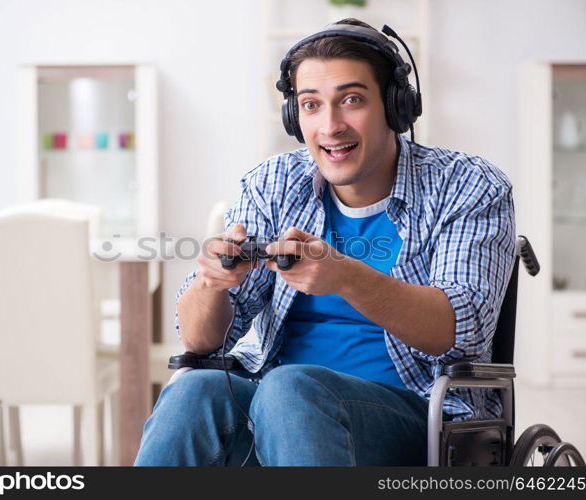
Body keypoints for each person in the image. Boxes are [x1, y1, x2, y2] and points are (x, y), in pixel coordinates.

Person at [134, 18, 516, 466]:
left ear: (396, 107)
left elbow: (458, 332)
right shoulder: (273, 182)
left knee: (292, 387)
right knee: (195, 387)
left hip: (415, 415)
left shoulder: (467, 185)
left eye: (351, 100)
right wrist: (211, 283)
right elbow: (200, 344)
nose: (330, 126)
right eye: (311, 105)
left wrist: (346, 276)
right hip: (273, 407)